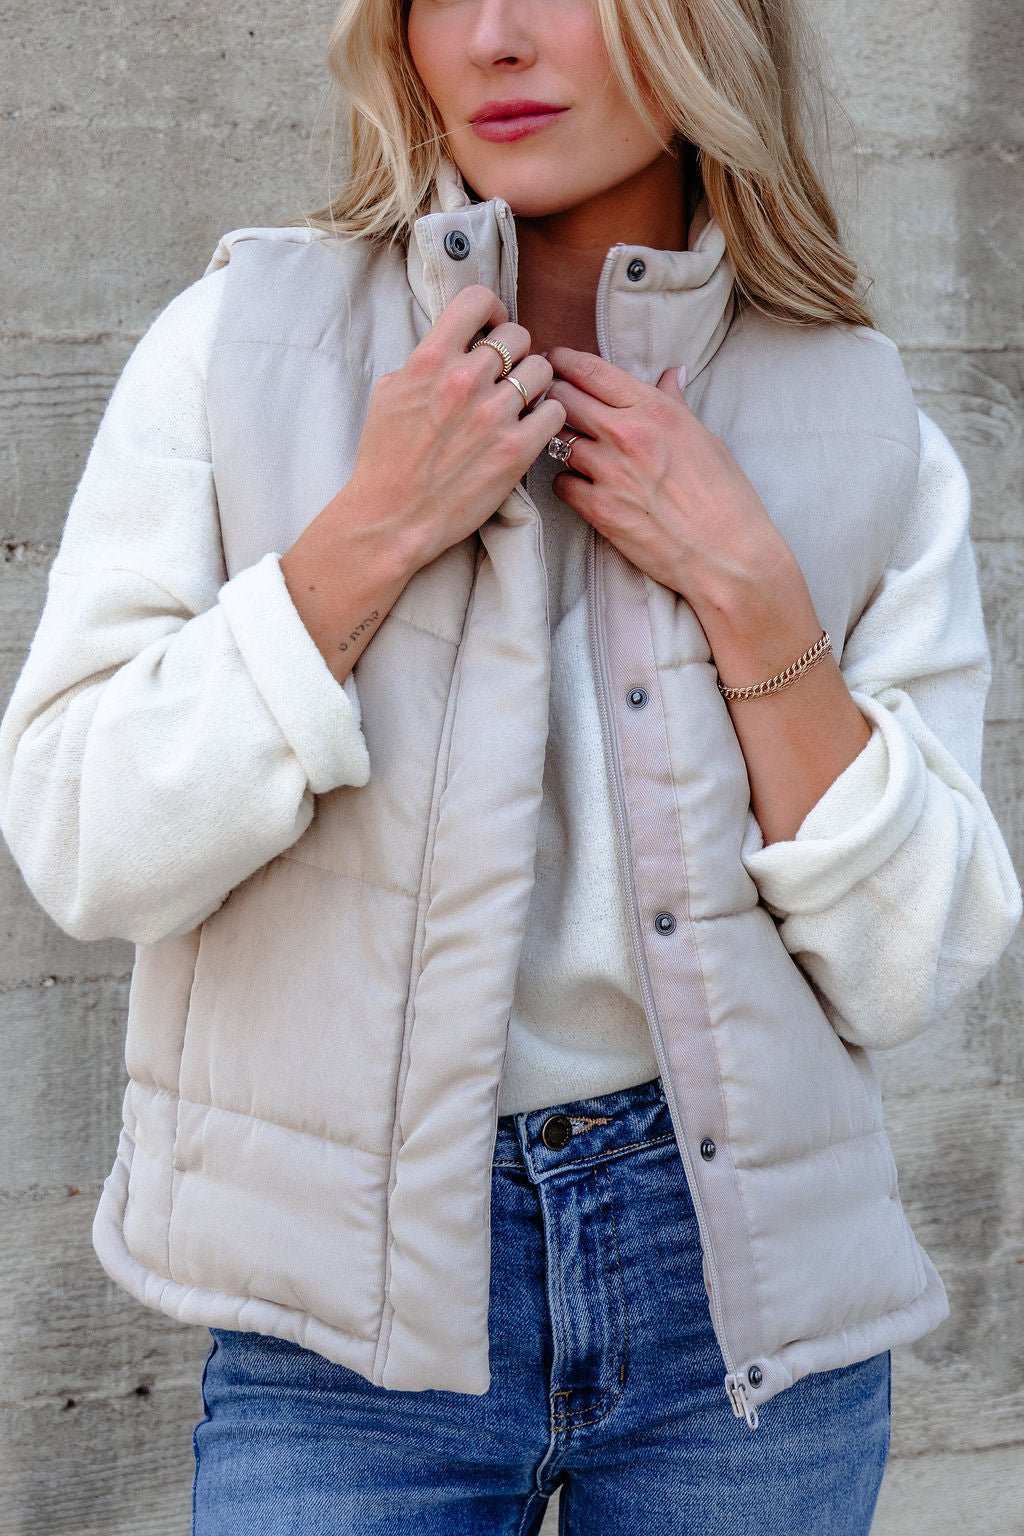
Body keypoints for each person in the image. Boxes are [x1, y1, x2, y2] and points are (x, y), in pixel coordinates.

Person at [1, 0, 1020, 1528]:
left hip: (739, 1303)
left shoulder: (859, 415)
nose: (488, 37)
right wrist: (365, 539)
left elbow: (913, 963)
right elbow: (81, 841)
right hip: (343, 1292)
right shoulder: (239, 345)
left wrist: (752, 590)